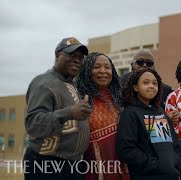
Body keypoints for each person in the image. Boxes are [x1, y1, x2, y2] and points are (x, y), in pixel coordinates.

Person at [24, 37, 92, 180]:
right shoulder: (44, 83)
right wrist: (70, 112)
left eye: (80, 57)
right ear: (57, 56)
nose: (77, 60)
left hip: (72, 166)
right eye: (72, 55)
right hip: (47, 165)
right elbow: (33, 124)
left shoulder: (70, 83)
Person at [116, 68, 181, 180]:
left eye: (154, 83)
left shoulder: (159, 112)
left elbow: (175, 147)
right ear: (135, 87)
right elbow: (126, 150)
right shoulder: (130, 113)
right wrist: (156, 164)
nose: (151, 86)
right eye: (145, 83)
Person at [76, 52, 129, 180]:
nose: (103, 71)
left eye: (107, 67)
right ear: (87, 70)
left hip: (123, 170)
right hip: (92, 171)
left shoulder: (122, 99)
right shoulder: (78, 98)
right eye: (97, 67)